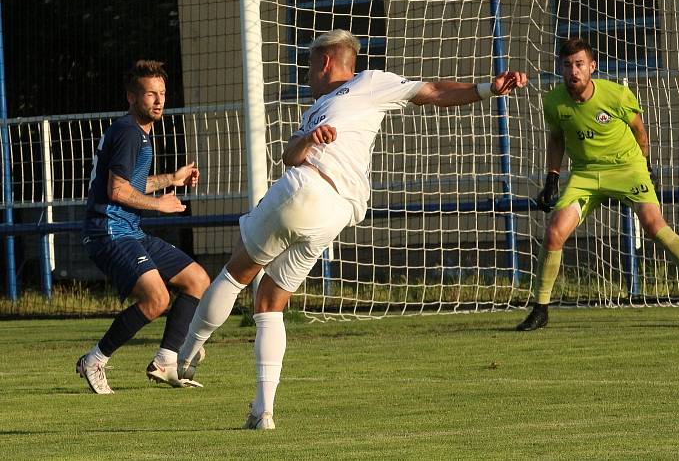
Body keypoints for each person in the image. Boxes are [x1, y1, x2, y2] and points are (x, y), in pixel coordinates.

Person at [176, 29, 527, 429]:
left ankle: (184, 355)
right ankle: (263, 410)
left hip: (309, 191)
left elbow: (431, 90)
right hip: (332, 213)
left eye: (309, 65)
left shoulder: (370, 82)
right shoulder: (317, 110)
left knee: (238, 272)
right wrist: (309, 137)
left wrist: (486, 88)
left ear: (325, 62)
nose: (307, 74)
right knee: (271, 302)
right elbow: (290, 155)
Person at [516, 38, 679, 331]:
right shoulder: (554, 101)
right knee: (554, 233)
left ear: (592, 67)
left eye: (580, 64)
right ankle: (540, 310)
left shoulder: (617, 95)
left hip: (627, 167)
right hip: (585, 174)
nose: (573, 72)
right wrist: (552, 178)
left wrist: (646, 167)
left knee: (654, 225)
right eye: (567, 65)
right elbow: (557, 137)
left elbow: (640, 132)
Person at [76, 60, 210, 394]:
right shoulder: (127, 132)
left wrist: (171, 179)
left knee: (197, 279)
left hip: (130, 230)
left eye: (162, 93)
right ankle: (95, 359)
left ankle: (165, 361)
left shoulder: (139, 134)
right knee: (157, 299)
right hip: (108, 230)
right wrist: (161, 205)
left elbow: (133, 183)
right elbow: (117, 191)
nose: (159, 100)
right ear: (132, 97)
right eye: (150, 94)